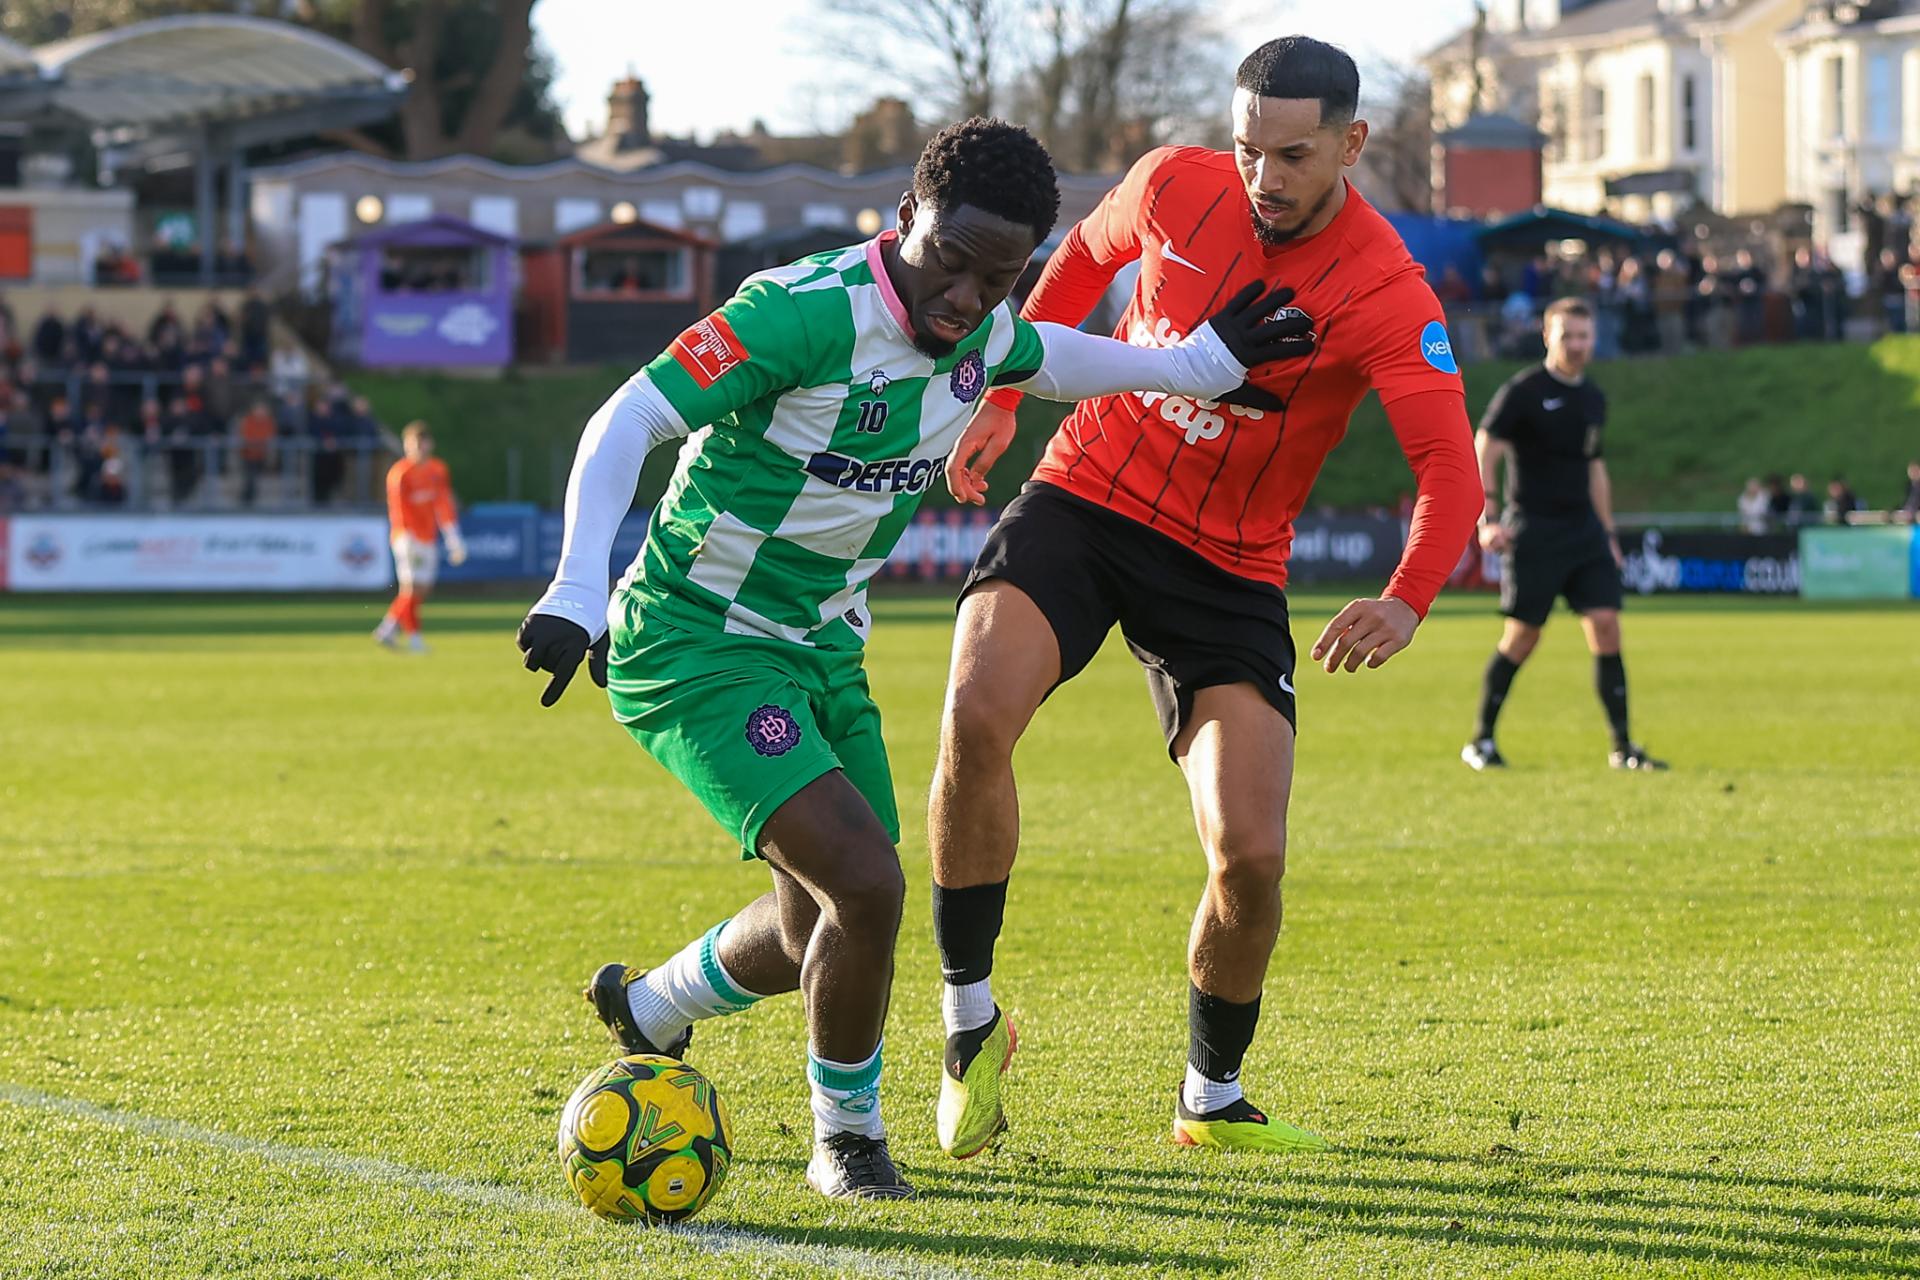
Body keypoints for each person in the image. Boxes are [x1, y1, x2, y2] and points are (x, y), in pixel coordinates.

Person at [512, 117, 1316, 1201]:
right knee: (869, 886)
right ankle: (846, 1139)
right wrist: (575, 583)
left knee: (818, 921)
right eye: (950, 260)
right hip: (698, 639)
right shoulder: (797, 314)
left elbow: (1058, 356)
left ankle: (650, 1005)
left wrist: (1201, 364)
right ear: (903, 222)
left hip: (822, 651)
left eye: (1000, 275)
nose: (966, 297)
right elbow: (631, 417)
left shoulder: (985, 326)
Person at [922, 38, 1480, 1163]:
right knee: (977, 714)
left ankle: (1211, 1095)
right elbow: (1078, 261)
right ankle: (969, 1026)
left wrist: (1410, 596)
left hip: (1228, 567)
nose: (1262, 174)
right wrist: (1005, 390)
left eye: (1293, 153)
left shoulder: (1384, 288)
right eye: (1247, 146)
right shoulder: (1174, 180)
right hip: (1085, 497)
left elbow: (1450, 468)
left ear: (1351, 146)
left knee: (1250, 859)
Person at [1465, 298, 1666, 773]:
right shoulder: (1524, 391)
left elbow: (1595, 468)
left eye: (1583, 336)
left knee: (1606, 627)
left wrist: (1609, 533)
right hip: (1534, 528)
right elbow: (1485, 446)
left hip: (1585, 532)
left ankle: (1623, 748)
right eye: (1567, 336)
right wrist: (1487, 517)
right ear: (1547, 337)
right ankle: (1481, 741)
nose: (1576, 346)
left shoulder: (1592, 397)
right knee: (1523, 637)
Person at [375, 421, 465, 653]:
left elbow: (443, 504)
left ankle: (388, 628)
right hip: (407, 537)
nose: (419, 448)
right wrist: (409, 538)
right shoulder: (400, 473)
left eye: (422, 443)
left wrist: (453, 537)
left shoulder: (437, 470)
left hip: (428, 537)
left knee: (422, 589)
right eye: (413, 444)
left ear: (429, 444)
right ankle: (414, 638)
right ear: (406, 445)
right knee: (411, 588)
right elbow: (398, 510)